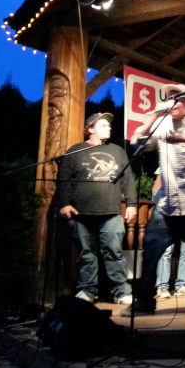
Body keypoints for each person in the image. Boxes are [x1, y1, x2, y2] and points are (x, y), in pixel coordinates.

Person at [123, 84, 185, 316]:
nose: (172, 103)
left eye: (177, 99)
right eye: (169, 99)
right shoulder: (162, 123)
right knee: (150, 251)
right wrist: (154, 116)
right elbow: (137, 143)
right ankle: (144, 300)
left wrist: (180, 137)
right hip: (167, 204)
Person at [56, 112, 136, 305]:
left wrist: (132, 204)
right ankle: (87, 290)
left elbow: (128, 179)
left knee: (114, 252)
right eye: (103, 125)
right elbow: (63, 179)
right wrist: (64, 203)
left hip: (111, 212)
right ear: (90, 128)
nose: (109, 128)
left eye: (109, 125)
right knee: (86, 254)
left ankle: (121, 292)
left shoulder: (117, 151)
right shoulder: (75, 151)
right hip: (81, 213)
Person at [151, 171, 185, 299]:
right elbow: (156, 187)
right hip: (168, 211)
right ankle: (162, 286)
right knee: (166, 250)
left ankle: (181, 285)